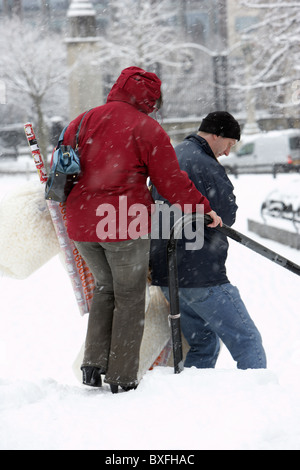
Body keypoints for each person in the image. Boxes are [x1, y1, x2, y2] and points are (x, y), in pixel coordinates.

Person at [62, 67, 222, 393]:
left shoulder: (81, 121)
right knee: (130, 298)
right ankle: (122, 376)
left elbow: (64, 169)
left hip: (80, 225)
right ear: (149, 99)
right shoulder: (146, 128)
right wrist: (205, 209)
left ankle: (92, 364)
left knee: (105, 289)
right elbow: (171, 183)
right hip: (123, 226)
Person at [150, 111, 267, 370]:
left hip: (168, 274)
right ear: (217, 134)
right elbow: (227, 214)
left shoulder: (171, 156)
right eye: (230, 143)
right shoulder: (204, 163)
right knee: (247, 340)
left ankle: (194, 401)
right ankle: (259, 398)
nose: (227, 152)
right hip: (200, 273)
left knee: (202, 344)